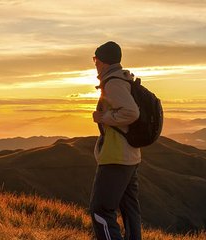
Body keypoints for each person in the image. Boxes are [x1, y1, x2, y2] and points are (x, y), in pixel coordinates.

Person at [90, 41, 142, 240]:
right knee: (130, 211)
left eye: (96, 59)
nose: (95, 63)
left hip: (116, 157)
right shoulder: (124, 79)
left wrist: (102, 118)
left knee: (100, 210)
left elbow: (131, 113)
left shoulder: (113, 82)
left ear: (103, 61)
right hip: (130, 155)